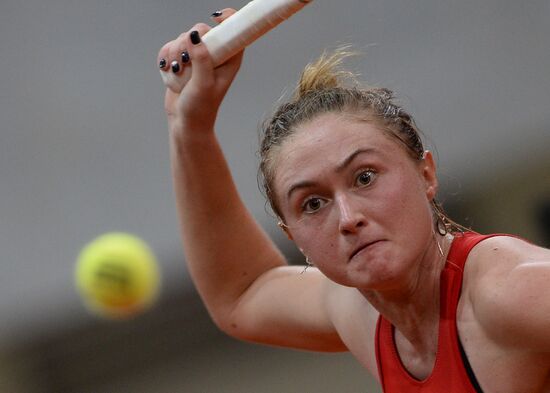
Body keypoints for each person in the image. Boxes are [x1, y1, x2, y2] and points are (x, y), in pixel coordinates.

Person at [157, 8, 550, 392]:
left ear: (426, 174)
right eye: (313, 203)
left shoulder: (508, 291)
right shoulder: (362, 315)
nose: (348, 217)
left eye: (365, 177)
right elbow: (241, 293)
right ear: (293, 236)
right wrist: (189, 126)